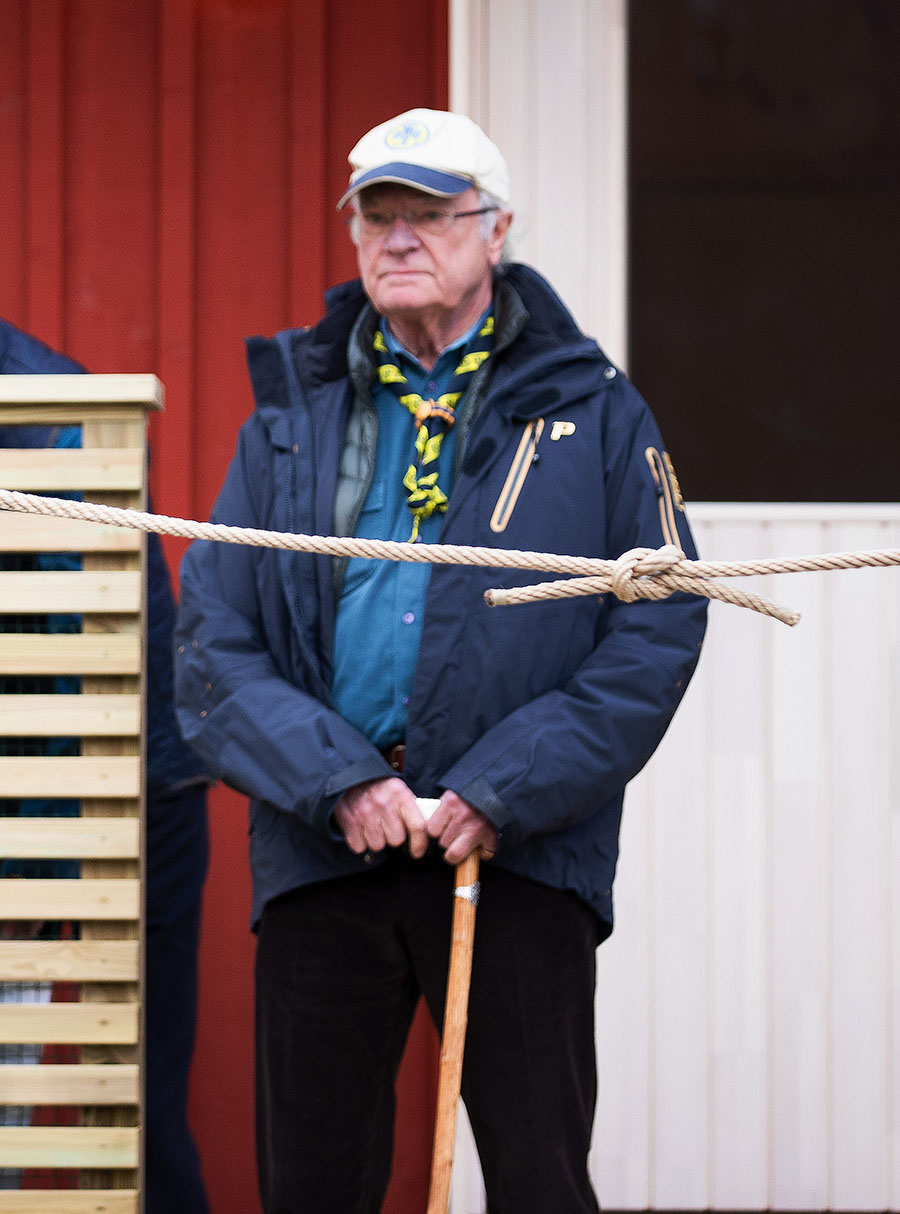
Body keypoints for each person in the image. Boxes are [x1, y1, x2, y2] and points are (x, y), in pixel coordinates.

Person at [173, 106, 708, 1214]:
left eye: (430, 213)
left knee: (539, 1179)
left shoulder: (597, 412)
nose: (399, 237)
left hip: (514, 855)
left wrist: (502, 787)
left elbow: (655, 630)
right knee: (313, 1185)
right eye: (378, 213)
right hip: (327, 848)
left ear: (496, 230)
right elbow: (212, 638)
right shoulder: (290, 416)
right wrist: (341, 780)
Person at [0, 318, 211, 1213]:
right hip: (54, 774)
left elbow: (72, 660)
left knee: (132, 1107)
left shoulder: (52, 408)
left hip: (123, 781)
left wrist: (31, 882)